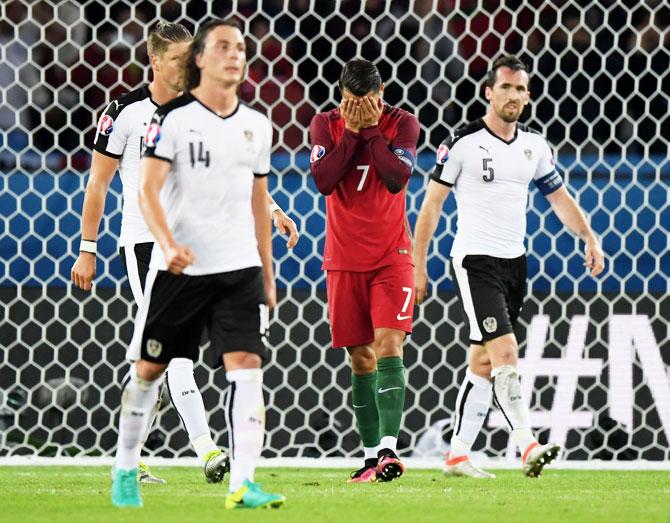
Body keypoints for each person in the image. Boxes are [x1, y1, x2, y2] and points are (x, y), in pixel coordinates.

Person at [71, 22, 297, 487]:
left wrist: (272, 209)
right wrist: (87, 249)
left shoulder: (202, 112)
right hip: (145, 243)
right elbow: (99, 182)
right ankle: (207, 449)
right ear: (154, 61)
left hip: (203, 245)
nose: (187, 67)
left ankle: (130, 461)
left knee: (158, 362)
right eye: (178, 60)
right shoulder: (125, 113)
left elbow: (232, 175)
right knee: (176, 358)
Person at [413, 54, 605, 478]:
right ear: (488, 92)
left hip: (514, 263)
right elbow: (432, 205)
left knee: (483, 362)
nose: (513, 95)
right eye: (506, 87)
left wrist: (588, 236)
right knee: (506, 352)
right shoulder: (462, 142)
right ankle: (527, 444)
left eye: (521, 89)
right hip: (474, 259)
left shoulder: (535, 146)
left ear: (529, 95)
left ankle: (458, 454)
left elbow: (558, 199)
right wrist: (418, 264)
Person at [309, 59, 420, 483]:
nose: (360, 108)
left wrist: (371, 130)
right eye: (352, 102)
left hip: (392, 254)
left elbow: (396, 178)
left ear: (382, 92)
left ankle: (390, 450)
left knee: (389, 344)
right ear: (341, 96)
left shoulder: (403, 123)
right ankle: (372, 458)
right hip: (343, 258)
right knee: (360, 359)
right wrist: (356, 132)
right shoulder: (325, 124)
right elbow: (324, 180)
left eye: (368, 101)